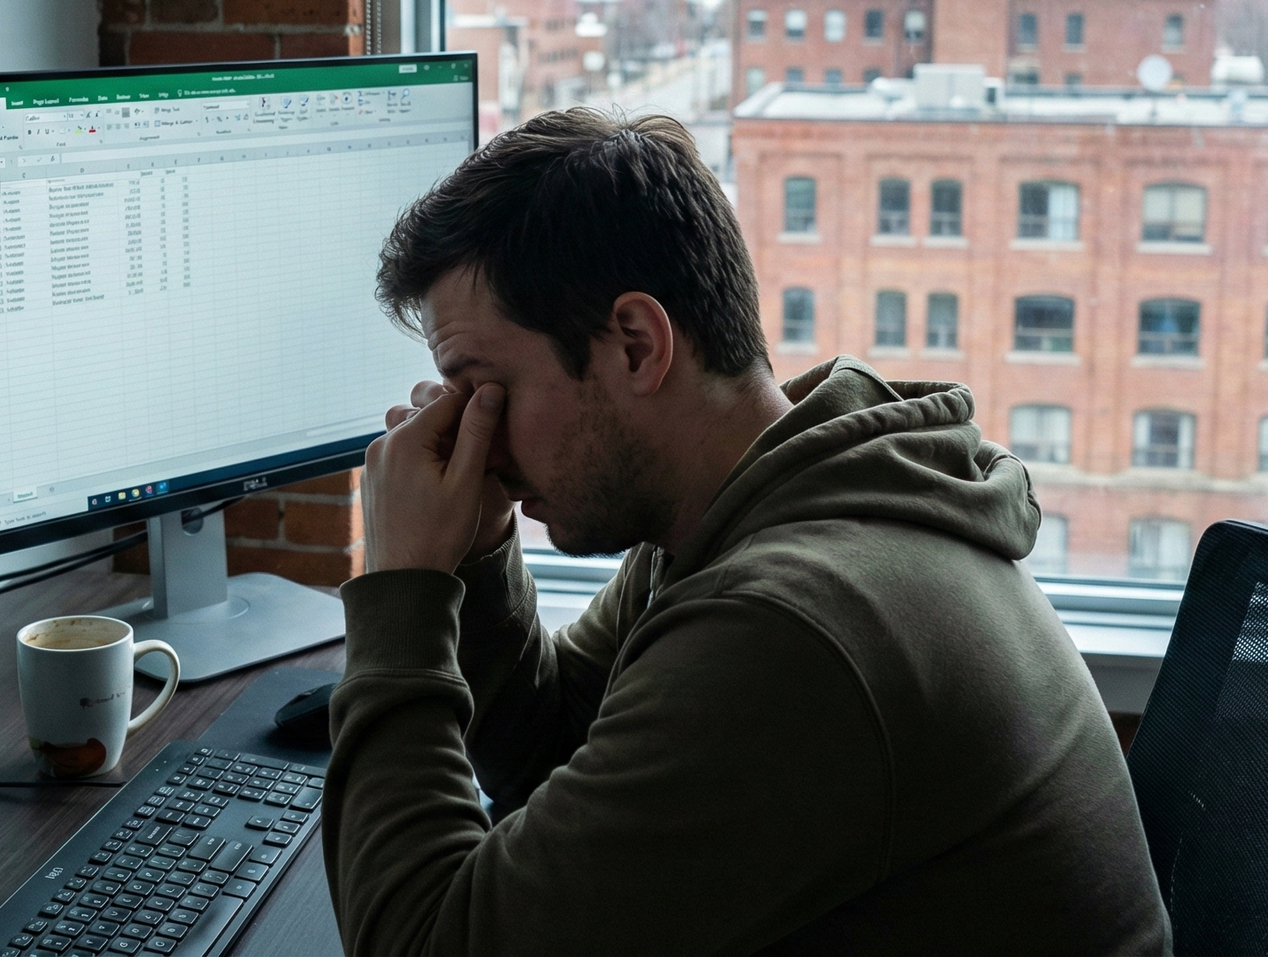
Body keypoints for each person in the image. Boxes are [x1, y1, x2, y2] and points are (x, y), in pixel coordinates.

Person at [321, 108, 1169, 955]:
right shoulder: (741, 500)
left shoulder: (792, 626)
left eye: (485, 388)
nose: (479, 441)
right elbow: (559, 741)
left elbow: (421, 943)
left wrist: (404, 589)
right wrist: (474, 550)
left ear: (635, 345)